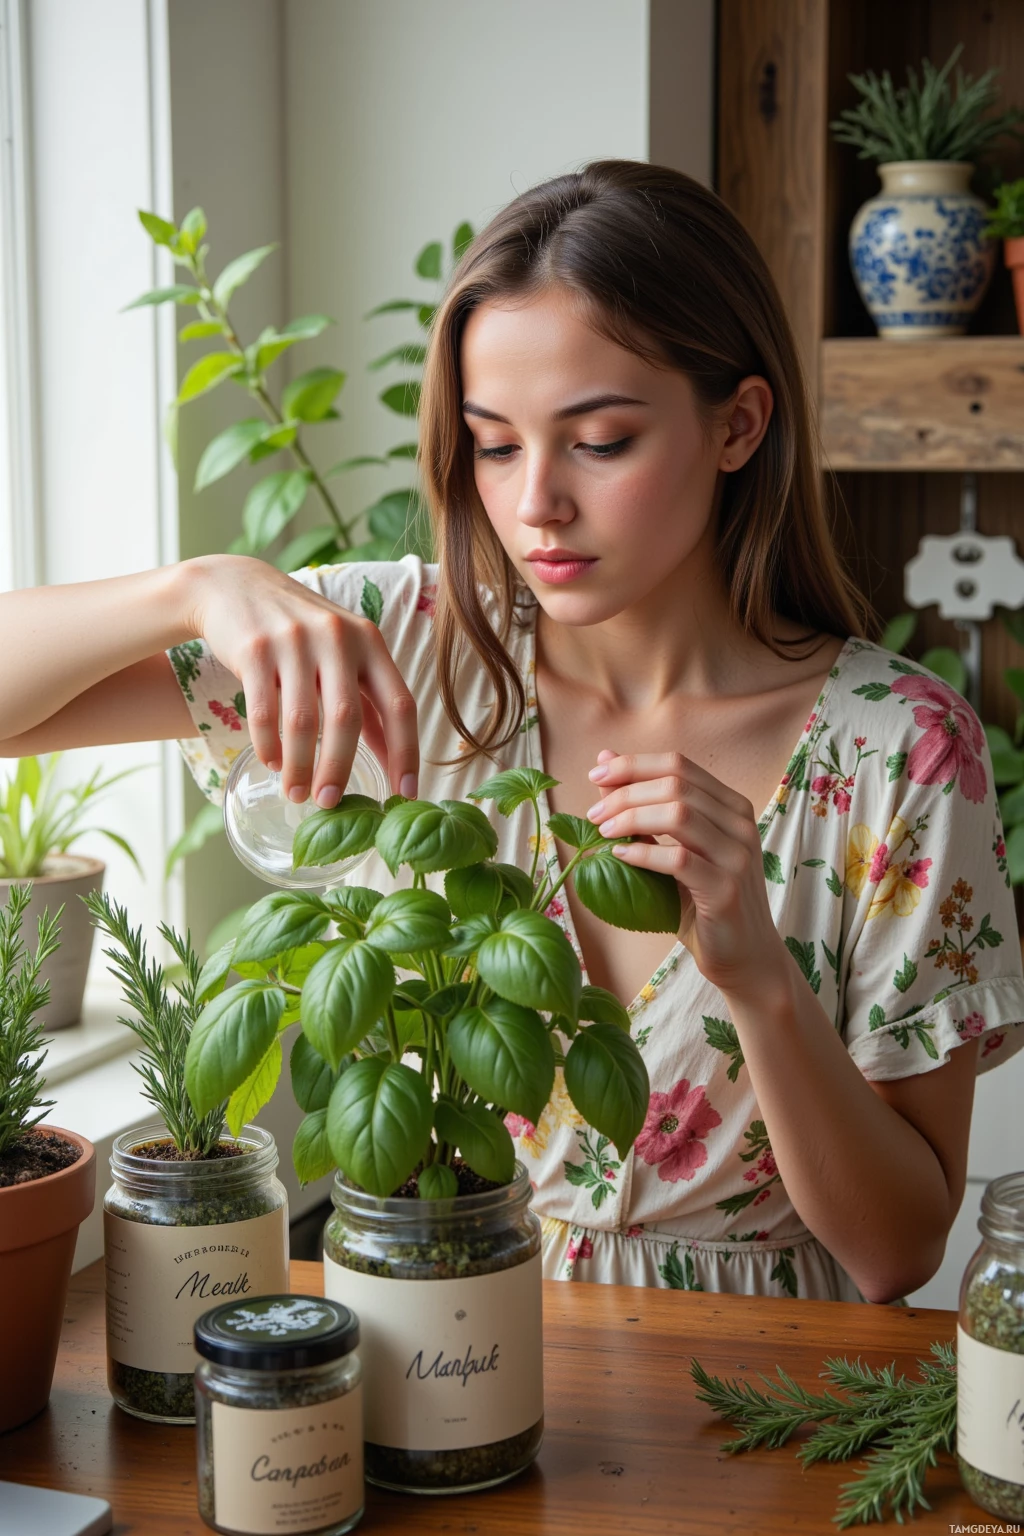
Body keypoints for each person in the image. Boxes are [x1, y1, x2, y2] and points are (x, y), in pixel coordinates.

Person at [3, 159, 1022, 1304]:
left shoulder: (901, 751)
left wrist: (761, 984)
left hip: (757, 1413)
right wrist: (195, 588)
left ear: (736, 426)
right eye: (494, 444)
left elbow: (897, 1254)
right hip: (429, 1355)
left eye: (597, 440)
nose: (536, 501)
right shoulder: (402, 646)